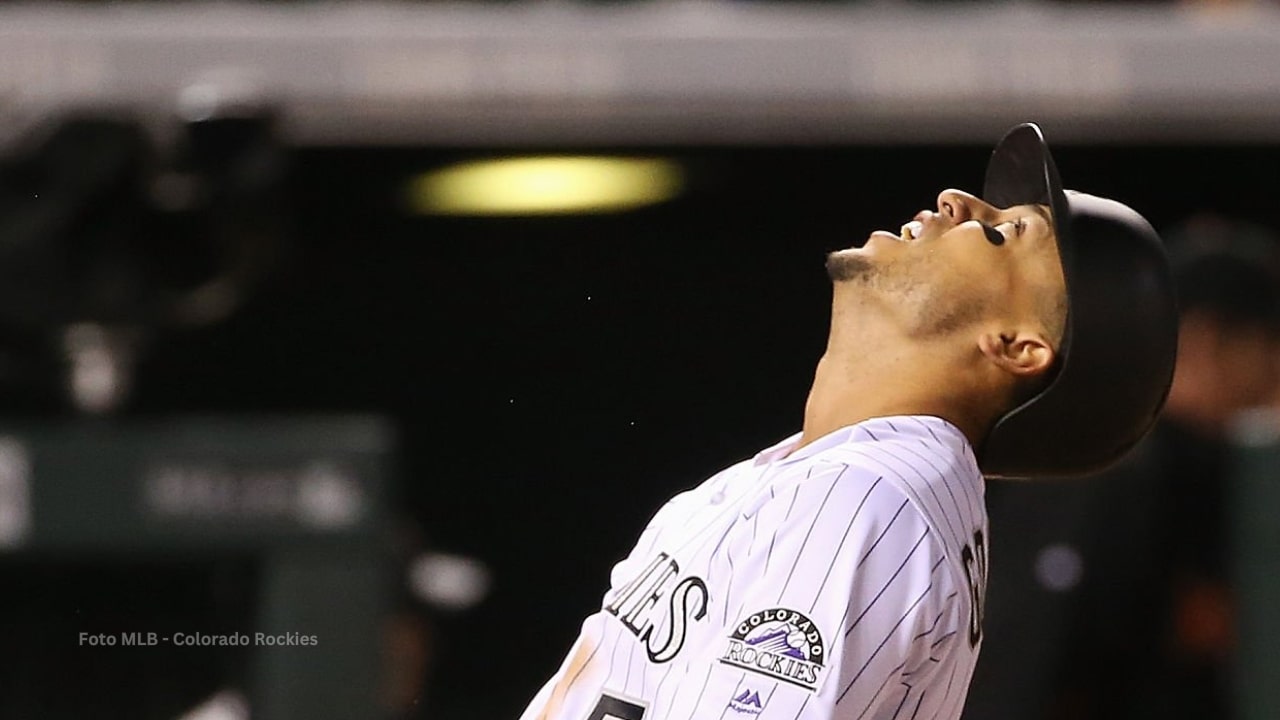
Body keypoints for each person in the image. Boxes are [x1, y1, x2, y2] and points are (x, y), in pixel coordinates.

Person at [517, 123, 1178, 720]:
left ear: (1016, 344)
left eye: (1002, 232)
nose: (956, 201)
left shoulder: (869, 496)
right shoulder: (855, 478)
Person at [965, 215, 1280, 720]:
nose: (1274, 370)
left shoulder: (1194, 464)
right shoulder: (1104, 467)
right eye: (1268, 347)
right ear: (1208, 339)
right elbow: (1030, 665)